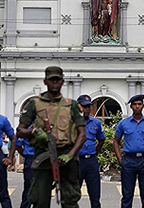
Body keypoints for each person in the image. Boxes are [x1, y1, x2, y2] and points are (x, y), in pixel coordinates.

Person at [16, 66, 86, 208]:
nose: (55, 83)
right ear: (45, 81)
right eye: (51, 80)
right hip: (43, 155)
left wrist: (70, 155)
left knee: (70, 201)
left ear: (62, 82)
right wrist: (34, 132)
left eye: (57, 80)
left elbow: (82, 134)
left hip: (66, 157)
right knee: (39, 200)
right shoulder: (34, 104)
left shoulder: (71, 105)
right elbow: (19, 131)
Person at [77, 94, 105, 208]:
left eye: (89, 106)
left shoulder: (96, 123)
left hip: (91, 162)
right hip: (77, 162)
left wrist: (95, 152)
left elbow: (101, 140)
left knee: (95, 196)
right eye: (84, 106)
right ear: (79, 107)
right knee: (72, 196)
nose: (87, 109)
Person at [16, 136, 34, 208]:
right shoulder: (24, 127)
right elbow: (18, 145)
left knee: (43, 189)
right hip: (30, 158)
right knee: (28, 187)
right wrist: (26, 155)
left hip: (44, 158)